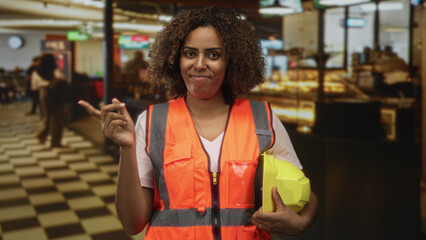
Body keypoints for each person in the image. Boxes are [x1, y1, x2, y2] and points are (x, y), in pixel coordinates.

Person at [78, 7, 318, 239]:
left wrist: (302, 222)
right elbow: (133, 223)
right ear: (175, 59)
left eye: (213, 54)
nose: (199, 64)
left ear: (231, 62)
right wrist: (127, 148)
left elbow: (303, 192)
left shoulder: (263, 119)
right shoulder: (152, 122)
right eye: (190, 53)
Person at [33, 53, 67, 148]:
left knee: (47, 116)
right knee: (57, 118)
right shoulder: (54, 69)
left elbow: (34, 86)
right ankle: (55, 141)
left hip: (43, 93)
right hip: (55, 93)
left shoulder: (37, 70)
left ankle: (42, 134)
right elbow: (60, 79)